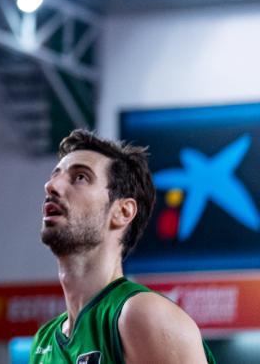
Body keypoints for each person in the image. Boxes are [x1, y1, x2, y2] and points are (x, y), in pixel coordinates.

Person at [30, 130, 215, 363]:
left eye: (80, 177)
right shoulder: (43, 342)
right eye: (55, 175)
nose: (51, 185)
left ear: (122, 211)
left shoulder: (142, 315)